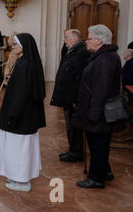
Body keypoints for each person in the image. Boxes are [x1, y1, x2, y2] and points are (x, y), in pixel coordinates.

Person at [71, 24, 125, 189]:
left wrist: (93, 114)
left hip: (99, 113)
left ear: (99, 40)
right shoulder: (103, 56)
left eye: (89, 38)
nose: (86, 41)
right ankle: (105, 171)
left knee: (98, 145)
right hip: (98, 111)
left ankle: (96, 178)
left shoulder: (105, 59)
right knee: (99, 144)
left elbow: (101, 90)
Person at [0, 33, 46, 192]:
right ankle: (18, 177)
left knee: (18, 149)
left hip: (20, 116)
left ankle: (22, 181)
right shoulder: (26, 62)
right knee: (21, 148)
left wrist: (12, 117)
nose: (12, 47)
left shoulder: (24, 65)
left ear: (24, 46)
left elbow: (20, 95)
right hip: (26, 115)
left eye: (15, 44)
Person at [50, 29, 89, 162]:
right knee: (70, 125)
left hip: (73, 98)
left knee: (74, 126)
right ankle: (73, 150)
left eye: (66, 37)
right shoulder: (73, 50)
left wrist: (75, 98)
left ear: (75, 39)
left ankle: (76, 152)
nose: (64, 40)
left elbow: (79, 78)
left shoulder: (81, 52)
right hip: (69, 96)